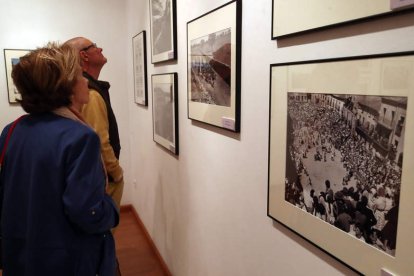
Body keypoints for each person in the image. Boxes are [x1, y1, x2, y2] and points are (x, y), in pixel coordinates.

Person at [0, 43, 119, 275]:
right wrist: (111, 210)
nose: (85, 80)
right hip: (65, 259)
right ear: (65, 86)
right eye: (78, 75)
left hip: (22, 254)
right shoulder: (80, 137)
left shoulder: (12, 130)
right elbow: (87, 212)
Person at [64, 37, 124, 212]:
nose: (100, 48)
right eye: (95, 46)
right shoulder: (91, 93)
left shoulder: (84, 90)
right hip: (103, 179)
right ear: (84, 56)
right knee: (105, 231)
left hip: (94, 177)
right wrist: (116, 172)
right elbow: (99, 141)